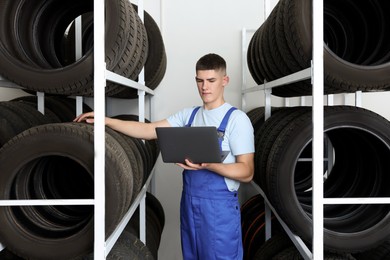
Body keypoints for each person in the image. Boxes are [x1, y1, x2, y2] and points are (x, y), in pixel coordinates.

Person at [74, 53, 255, 260]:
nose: (205, 87)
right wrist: (107, 121)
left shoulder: (237, 120)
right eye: (200, 80)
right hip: (189, 203)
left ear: (225, 81)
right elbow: (149, 130)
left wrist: (210, 165)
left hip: (219, 209)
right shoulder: (189, 115)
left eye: (211, 81)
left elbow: (247, 171)